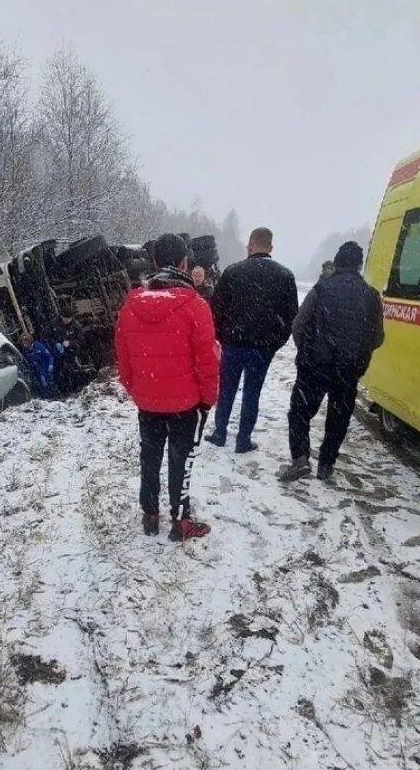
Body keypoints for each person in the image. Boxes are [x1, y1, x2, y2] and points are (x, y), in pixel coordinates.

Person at [115, 234, 220, 541]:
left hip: (147, 403)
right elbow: (208, 361)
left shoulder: (130, 306)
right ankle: (180, 520)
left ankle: (150, 515)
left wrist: (138, 391)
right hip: (185, 405)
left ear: (156, 262)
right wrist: (207, 399)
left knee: (149, 458)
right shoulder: (196, 306)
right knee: (180, 460)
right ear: (184, 263)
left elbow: (122, 360)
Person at [279, 242, 384, 483]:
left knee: (300, 412)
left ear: (336, 263)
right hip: (348, 370)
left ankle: (300, 458)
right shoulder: (371, 296)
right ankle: (326, 464)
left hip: (315, 366)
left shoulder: (321, 289)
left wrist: (306, 351)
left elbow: (298, 325)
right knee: (338, 418)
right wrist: (358, 354)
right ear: (359, 265)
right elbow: (377, 336)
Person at [207, 227, 298, 453]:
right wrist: (275, 342)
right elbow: (290, 316)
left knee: (226, 389)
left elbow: (215, 309)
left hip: (233, 344)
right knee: (252, 393)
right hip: (262, 348)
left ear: (250, 245)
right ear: (271, 247)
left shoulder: (233, 272)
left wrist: (223, 336)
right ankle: (243, 439)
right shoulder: (285, 276)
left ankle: (220, 432)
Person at [20, 331, 56, 399]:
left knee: (46, 383)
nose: (24, 344)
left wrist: (50, 365)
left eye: (26, 342)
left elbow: (49, 356)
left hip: (45, 367)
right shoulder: (25, 350)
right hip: (36, 370)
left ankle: (50, 397)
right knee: (38, 384)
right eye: (23, 342)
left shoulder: (39, 346)